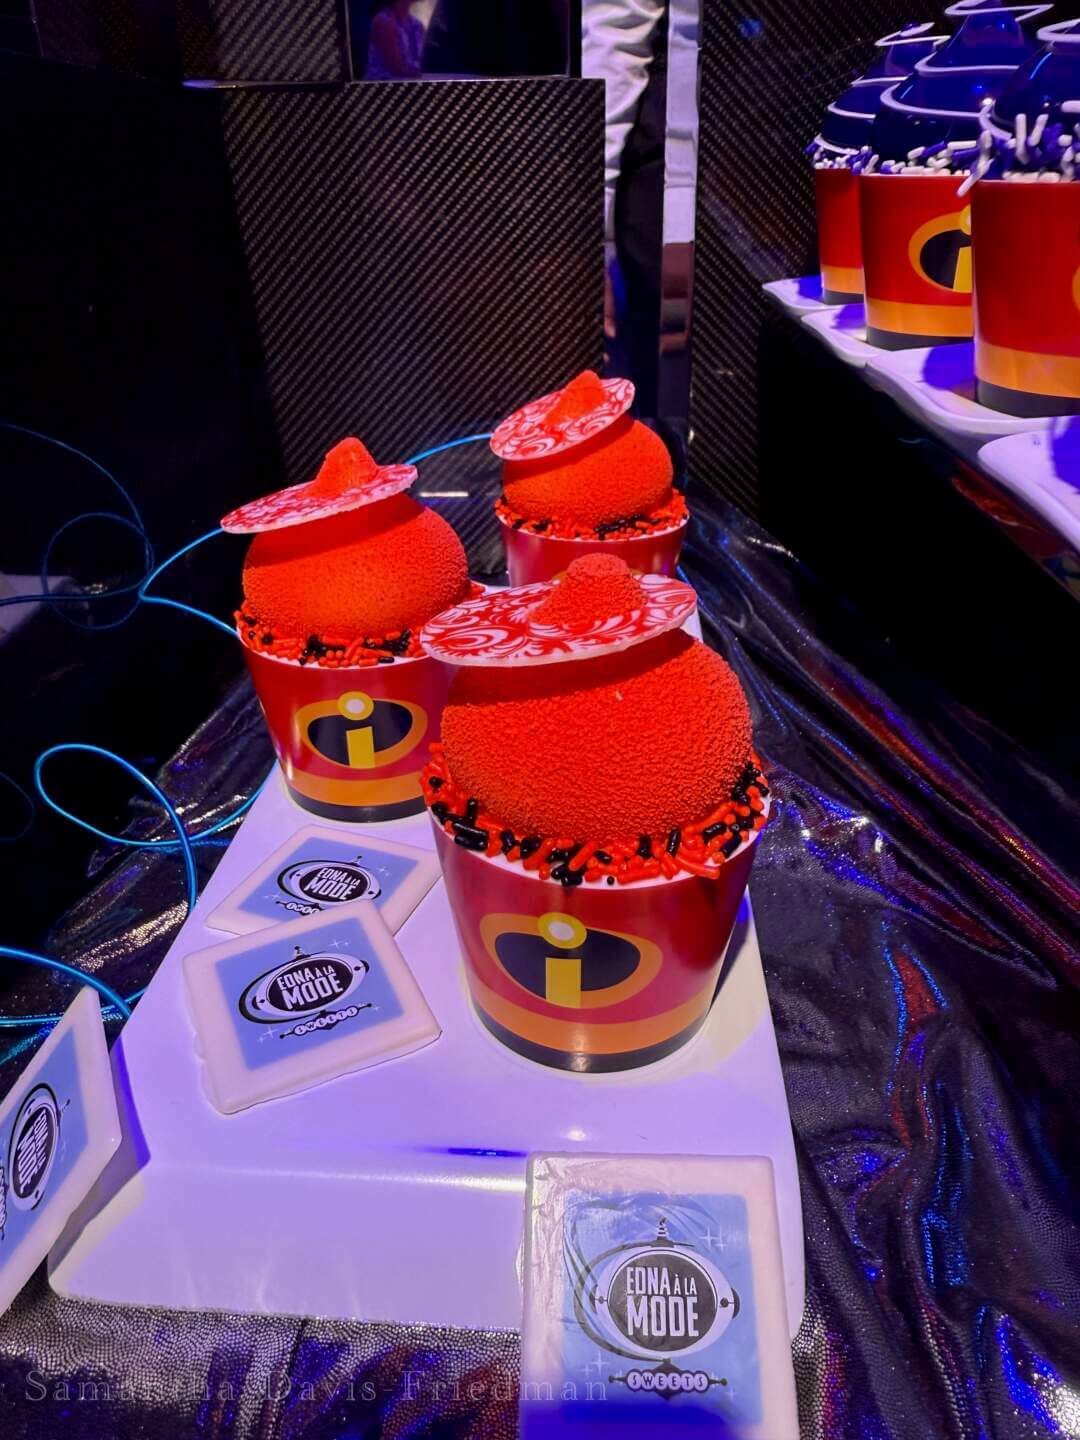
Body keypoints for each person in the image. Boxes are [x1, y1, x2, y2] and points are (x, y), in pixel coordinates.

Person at [367, 0, 426, 80]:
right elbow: (397, 68)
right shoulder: (384, 21)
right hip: (384, 84)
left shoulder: (416, 25)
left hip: (411, 81)